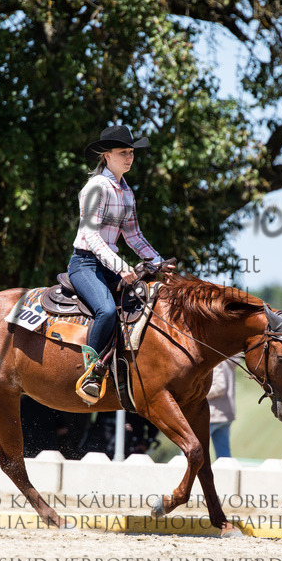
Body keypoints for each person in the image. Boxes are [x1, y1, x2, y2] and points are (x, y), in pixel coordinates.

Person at [68, 124, 173, 403]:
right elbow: (90, 236)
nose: (129, 157)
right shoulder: (95, 188)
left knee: (146, 304)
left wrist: (158, 263)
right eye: (123, 152)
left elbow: (134, 236)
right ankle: (91, 373)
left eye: (131, 153)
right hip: (85, 265)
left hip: (108, 266)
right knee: (105, 310)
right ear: (107, 156)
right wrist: (122, 267)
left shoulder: (126, 192)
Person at [207, 359, 236, 460]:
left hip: (212, 414)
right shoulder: (230, 360)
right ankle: (228, 476)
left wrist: (198, 394)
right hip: (226, 414)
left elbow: (220, 387)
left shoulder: (217, 361)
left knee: (189, 452)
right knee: (224, 455)